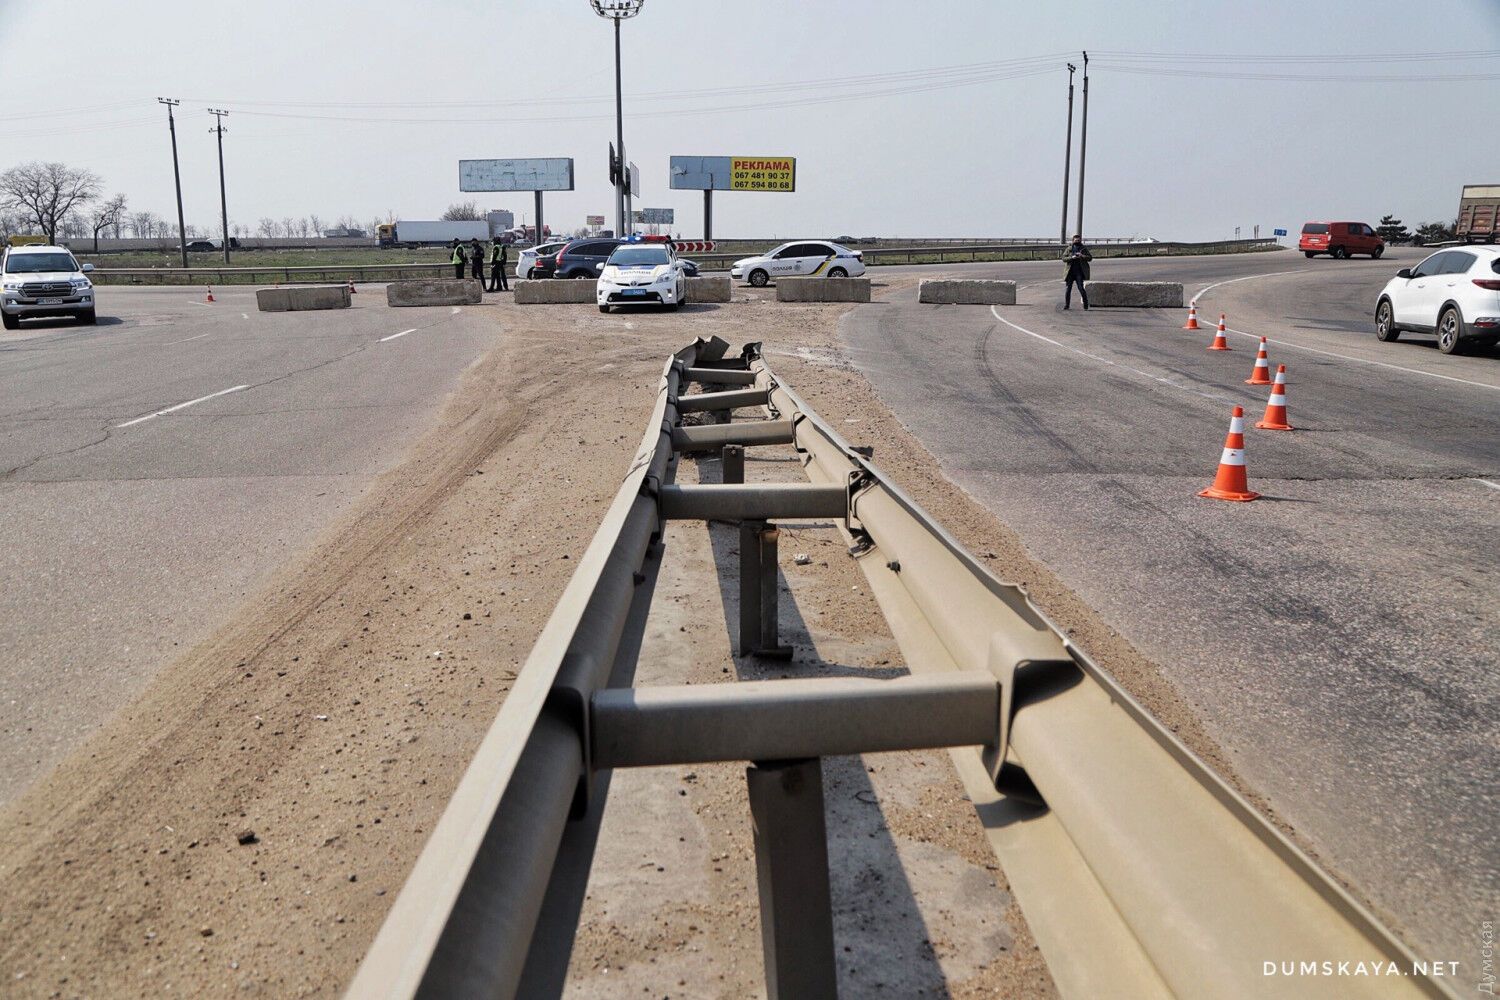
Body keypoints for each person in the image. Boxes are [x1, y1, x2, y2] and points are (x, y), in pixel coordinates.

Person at [1062, 234, 1091, 310]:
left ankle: (1085, 304)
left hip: (1079, 272)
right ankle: (1067, 305)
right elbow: (1063, 258)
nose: (1077, 242)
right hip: (1070, 272)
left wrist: (1082, 256)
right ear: (1073, 241)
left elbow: (1090, 258)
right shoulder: (1069, 248)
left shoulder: (1083, 248)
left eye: (1078, 240)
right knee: (1068, 289)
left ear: (1080, 241)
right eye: (1075, 240)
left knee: (1081, 288)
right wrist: (1072, 257)